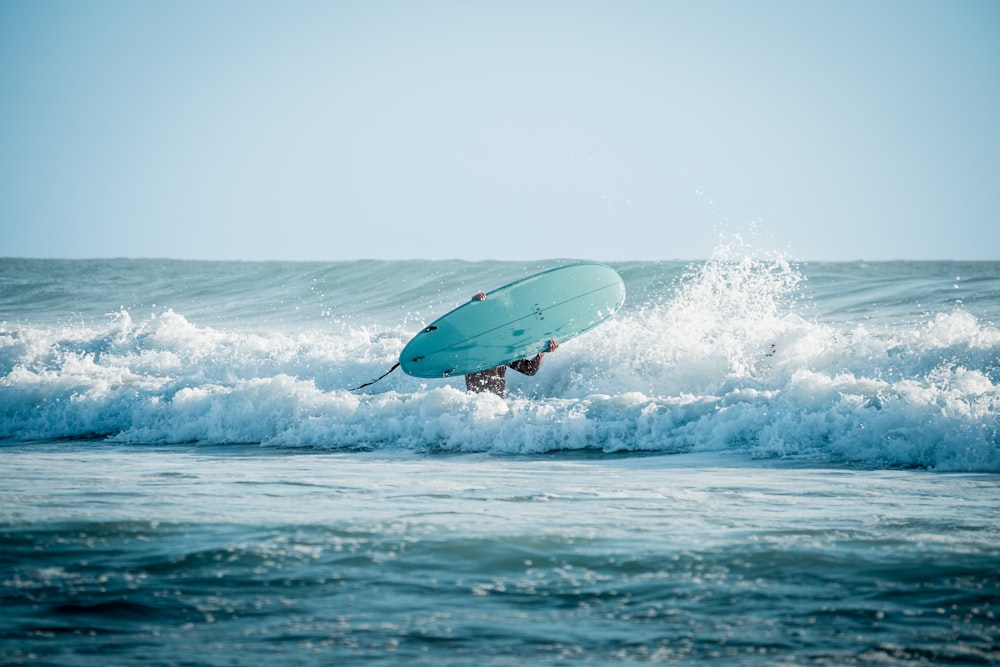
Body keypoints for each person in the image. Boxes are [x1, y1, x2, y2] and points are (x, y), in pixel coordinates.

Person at [464, 292, 559, 397]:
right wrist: (472, 306)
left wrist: (541, 351)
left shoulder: (502, 350)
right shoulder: (469, 346)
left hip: (497, 405)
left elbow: (530, 370)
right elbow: (463, 328)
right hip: (477, 405)